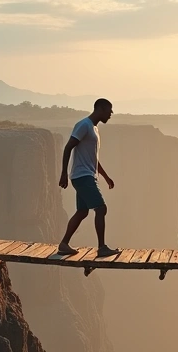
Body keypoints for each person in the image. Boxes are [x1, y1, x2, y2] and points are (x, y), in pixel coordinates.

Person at [58, 98, 118, 256]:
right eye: (109, 110)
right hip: (82, 176)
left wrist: (105, 177)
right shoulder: (84, 125)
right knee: (101, 208)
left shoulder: (94, 129)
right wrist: (64, 172)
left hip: (86, 175)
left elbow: (93, 158)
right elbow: (68, 147)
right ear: (100, 109)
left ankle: (64, 244)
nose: (111, 113)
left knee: (82, 212)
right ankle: (102, 247)